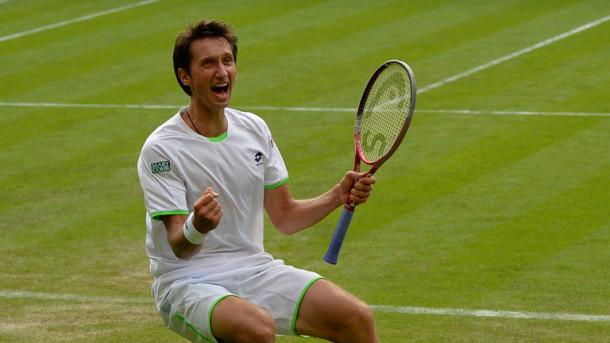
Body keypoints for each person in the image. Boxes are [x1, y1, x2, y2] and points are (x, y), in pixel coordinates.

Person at [137, 19, 379, 343]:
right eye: (208, 63)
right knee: (256, 329)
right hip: (186, 281)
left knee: (355, 318)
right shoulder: (161, 149)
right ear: (185, 76)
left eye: (227, 60)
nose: (222, 71)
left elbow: (287, 217)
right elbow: (179, 245)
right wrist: (199, 225)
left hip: (254, 269)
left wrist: (338, 194)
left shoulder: (254, 129)